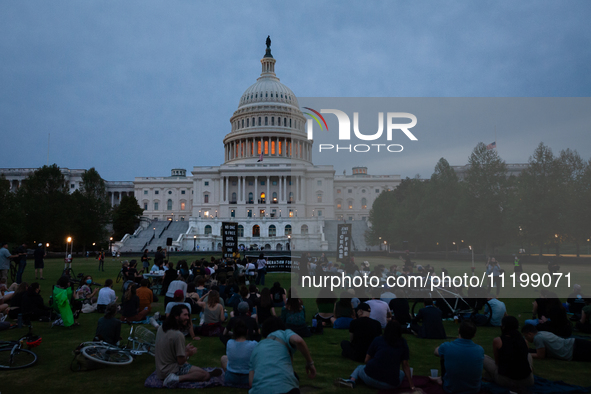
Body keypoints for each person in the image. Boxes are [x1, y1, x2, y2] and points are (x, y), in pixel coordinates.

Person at [155, 304, 222, 387]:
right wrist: (188, 353)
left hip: (160, 369)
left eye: (188, 315)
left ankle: (201, 372)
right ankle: (176, 378)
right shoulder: (178, 335)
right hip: (170, 370)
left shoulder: (161, 328)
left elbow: (168, 349)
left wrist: (184, 350)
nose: (188, 318)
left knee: (198, 370)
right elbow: (180, 361)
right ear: (176, 316)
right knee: (205, 375)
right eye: (185, 315)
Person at [335, 321, 414, 390]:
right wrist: (411, 385)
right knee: (403, 372)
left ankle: (352, 380)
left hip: (370, 379)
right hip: (390, 384)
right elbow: (405, 365)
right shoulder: (403, 343)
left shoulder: (378, 340)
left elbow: (366, 360)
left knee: (359, 368)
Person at [248, 317, 316, 394]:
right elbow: (298, 340)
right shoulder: (284, 333)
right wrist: (309, 363)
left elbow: (251, 382)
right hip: (286, 390)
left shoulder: (256, 347)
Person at [434, 321, 484, 394]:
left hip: (451, 389)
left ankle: (442, 379)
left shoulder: (447, 347)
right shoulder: (480, 350)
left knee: (444, 356)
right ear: (474, 335)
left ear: (458, 330)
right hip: (474, 389)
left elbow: (436, 352)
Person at [483, 316, 534, 388]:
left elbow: (497, 362)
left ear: (503, 326)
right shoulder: (524, 341)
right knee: (528, 355)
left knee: (483, 357)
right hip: (527, 381)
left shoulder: (498, 341)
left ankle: (489, 376)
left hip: (505, 380)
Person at [522, 324, 591, 362]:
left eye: (526, 336)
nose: (526, 338)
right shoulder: (542, 333)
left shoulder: (537, 338)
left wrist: (526, 354)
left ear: (530, 334)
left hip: (572, 351)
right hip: (574, 343)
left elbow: (540, 355)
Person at [221, 319, 258, 387]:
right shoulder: (254, 344)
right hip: (249, 377)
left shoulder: (229, 343)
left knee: (223, 358)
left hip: (231, 378)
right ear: (247, 331)